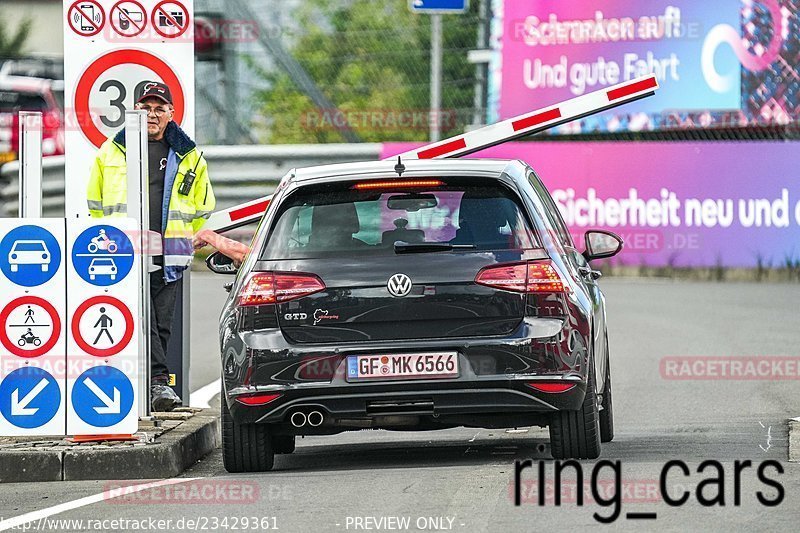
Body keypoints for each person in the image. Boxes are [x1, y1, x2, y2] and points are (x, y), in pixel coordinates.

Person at [87, 81, 215, 412]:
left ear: (171, 113)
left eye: (159, 108)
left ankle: (153, 386)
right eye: (145, 108)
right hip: (125, 252)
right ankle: (158, 383)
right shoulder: (112, 151)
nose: (152, 115)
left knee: (160, 323)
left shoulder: (190, 155)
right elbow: (95, 202)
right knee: (141, 317)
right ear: (134, 112)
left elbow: (203, 206)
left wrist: (187, 234)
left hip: (170, 251)